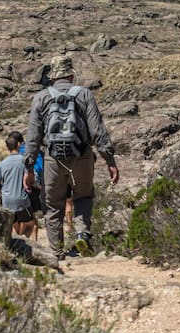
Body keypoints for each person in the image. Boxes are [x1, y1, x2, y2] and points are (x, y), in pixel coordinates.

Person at [23, 55, 119, 260]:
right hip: (82, 156)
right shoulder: (84, 95)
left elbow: (32, 137)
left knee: (52, 203)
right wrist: (109, 160)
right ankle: (82, 233)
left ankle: (57, 252)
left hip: (52, 159)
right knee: (83, 196)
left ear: (52, 77)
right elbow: (98, 130)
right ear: (71, 74)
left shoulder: (40, 97)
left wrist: (29, 169)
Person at [0, 131, 36, 239]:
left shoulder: (3, 163)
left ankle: (17, 242)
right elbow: (31, 178)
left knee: (13, 224)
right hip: (22, 200)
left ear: (7, 148)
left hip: (7, 201)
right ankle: (26, 243)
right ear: (18, 145)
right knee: (32, 225)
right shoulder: (23, 161)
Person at [19, 140, 44, 240]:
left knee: (23, 221)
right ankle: (34, 243)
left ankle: (20, 242)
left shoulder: (19, 153)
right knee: (32, 222)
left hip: (21, 189)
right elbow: (41, 168)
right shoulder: (39, 152)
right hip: (34, 188)